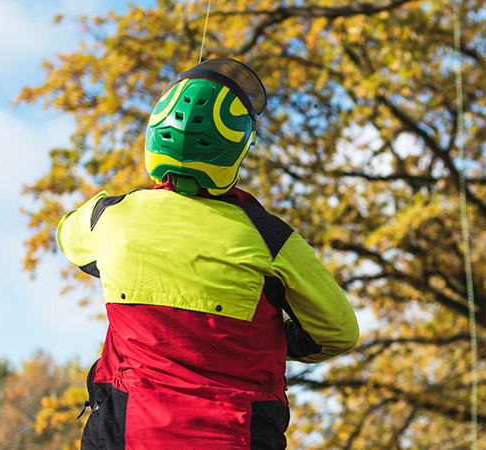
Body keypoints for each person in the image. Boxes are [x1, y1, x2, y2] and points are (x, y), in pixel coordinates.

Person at [54, 57, 359, 450]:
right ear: (235, 150)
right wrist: (274, 338)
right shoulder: (271, 239)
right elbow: (340, 332)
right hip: (239, 435)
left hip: (126, 434)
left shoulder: (111, 218)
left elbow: (67, 236)